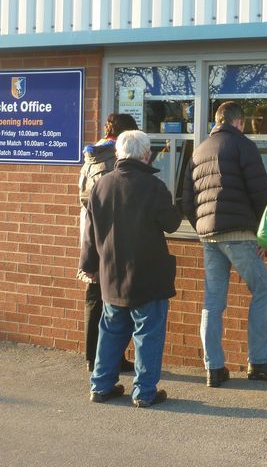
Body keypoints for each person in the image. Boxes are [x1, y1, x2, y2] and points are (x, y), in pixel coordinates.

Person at [182, 102, 267, 388]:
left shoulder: (199, 149)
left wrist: (203, 228)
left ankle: (214, 368)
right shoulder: (243, 146)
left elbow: (187, 199)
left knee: (213, 302)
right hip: (239, 235)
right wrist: (262, 233)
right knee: (264, 292)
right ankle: (258, 362)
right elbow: (259, 191)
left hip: (209, 236)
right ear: (239, 123)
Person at [79, 130, 181, 407]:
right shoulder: (153, 186)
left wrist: (88, 266)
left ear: (118, 154)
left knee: (111, 330)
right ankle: (144, 392)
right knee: (147, 333)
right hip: (147, 274)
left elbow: (90, 231)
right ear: (146, 155)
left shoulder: (101, 185)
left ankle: (100, 386)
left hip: (111, 272)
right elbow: (172, 223)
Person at [77, 113, 138, 373]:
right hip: (114, 237)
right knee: (116, 299)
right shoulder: (117, 159)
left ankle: (93, 357)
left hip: (90, 235)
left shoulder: (91, 156)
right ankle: (111, 358)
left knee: (95, 297)